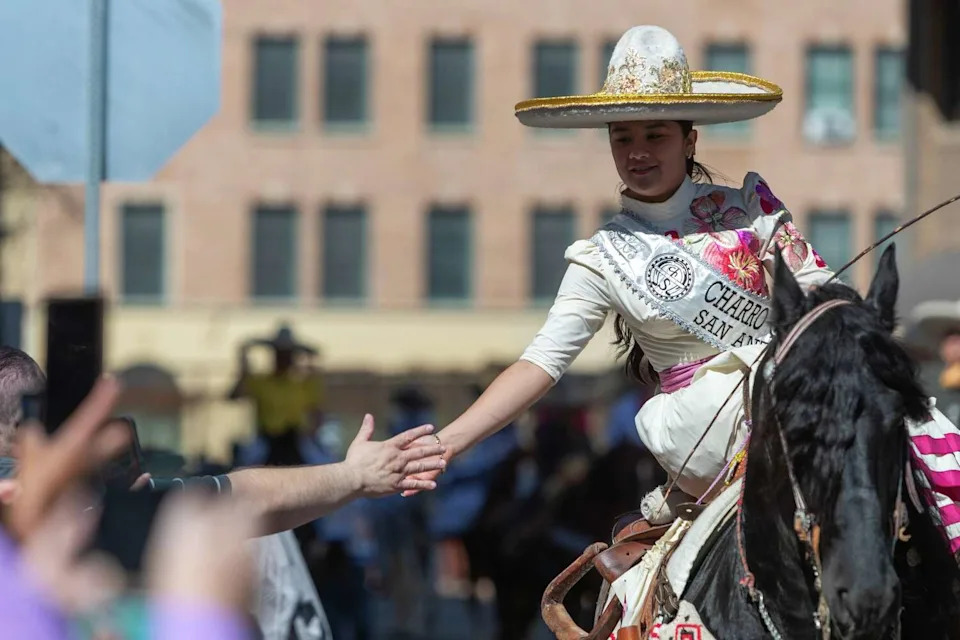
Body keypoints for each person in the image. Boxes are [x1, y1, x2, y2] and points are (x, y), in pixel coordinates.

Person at [397, 25, 832, 525]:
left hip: (792, 392)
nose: (637, 151)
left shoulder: (752, 209)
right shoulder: (602, 256)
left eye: (655, 134)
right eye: (622, 137)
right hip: (702, 424)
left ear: (689, 140)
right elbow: (541, 363)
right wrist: (448, 442)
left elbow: (820, 293)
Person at [230, 324, 323, 467]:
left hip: (297, 440)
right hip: (267, 440)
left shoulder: (302, 384)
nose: (284, 358)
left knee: (322, 464)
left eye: (288, 354)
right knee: (245, 468)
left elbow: (316, 411)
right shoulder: (261, 382)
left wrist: (312, 433)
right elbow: (235, 395)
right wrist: (243, 361)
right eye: (280, 353)